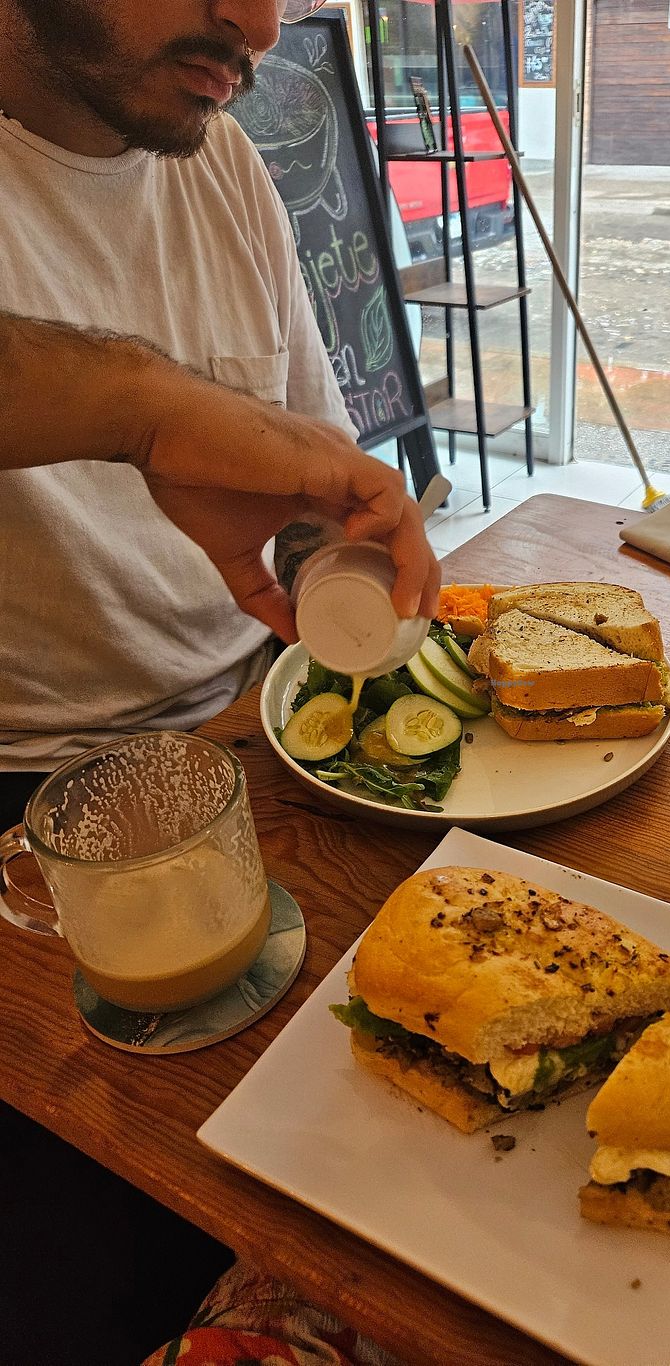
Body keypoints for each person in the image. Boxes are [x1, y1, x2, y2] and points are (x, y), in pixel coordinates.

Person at [0, 0, 438, 815]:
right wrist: (148, 411)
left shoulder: (220, 156)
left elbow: (312, 496)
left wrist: (342, 588)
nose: (262, 28)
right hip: (35, 779)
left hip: (256, 703)